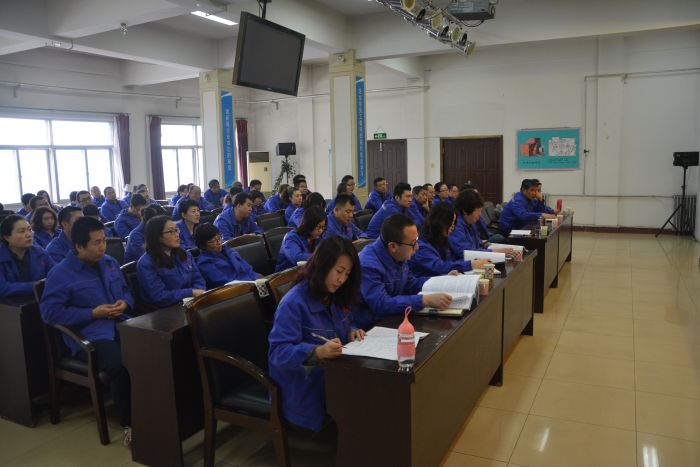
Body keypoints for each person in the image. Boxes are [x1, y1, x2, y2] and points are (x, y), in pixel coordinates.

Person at [39, 216, 133, 443]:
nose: (103, 247)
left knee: (154, 347)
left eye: (104, 241)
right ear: (79, 246)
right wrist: (91, 313)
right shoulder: (61, 273)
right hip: (90, 336)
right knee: (119, 365)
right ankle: (130, 424)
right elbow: (49, 313)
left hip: (121, 323)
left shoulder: (110, 262)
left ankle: (157, 409)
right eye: (96, 243)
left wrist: (125, 303)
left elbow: (126, 291)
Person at [268, 236, 364, 432]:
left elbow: (345, 323)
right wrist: (317, 352)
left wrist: (352, 332)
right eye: (339, 271)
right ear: (323, 266)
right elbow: (278, 353)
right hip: (304, 387)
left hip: (333, 375)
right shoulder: (294, 302)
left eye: (347, 274)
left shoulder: (333, 295)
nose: (342, 279)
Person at [355, 214, 452, 329]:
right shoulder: (368, 265)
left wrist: (444, 280)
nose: (417, 247)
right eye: (413, 243)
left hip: (395, 317)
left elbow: (411, 283)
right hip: (371, 327)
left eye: (417, 241)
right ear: (393, 246)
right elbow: (381, 304)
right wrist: (424, 300)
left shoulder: (399, 253)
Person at [136, 215, 205, 307]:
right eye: (171, 231)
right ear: (158, 236)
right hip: (165, 309)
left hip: (192, 301)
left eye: (176, 230)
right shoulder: (146, 263)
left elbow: (198, 279)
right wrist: (191, 292)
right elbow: (159, 296)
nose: (177, 235)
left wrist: (198, 293)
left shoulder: (185, 254)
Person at [409, 203, 489, 277]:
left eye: (454, 223)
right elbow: (440, 267)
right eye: (451, 222)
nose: (453, 227)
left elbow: (449, 262)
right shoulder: (422, 246)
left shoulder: (441, 239)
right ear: (440, 222)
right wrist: (471, 264)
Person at [0, 214, 54, 297]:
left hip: (40, 300)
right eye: (22, 231)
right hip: (10, 304)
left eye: (30, 229)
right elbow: (3, 288)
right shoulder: (2, 257)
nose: (29, 234)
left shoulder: (40, 252)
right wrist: (37, 286)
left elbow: (55, 274)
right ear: (7, 237)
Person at [193, 223, 260, 289]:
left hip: (252, 283)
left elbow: (247, 268)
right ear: (203, 245)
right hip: (237, 290)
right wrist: (250, 285)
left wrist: (257, 279)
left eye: (219, 238)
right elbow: (223, 282)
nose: (219, 242)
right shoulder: (204, 263)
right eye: (212, 241)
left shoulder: (229, 250)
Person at [276, 206, 327, 271]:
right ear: (309, 224)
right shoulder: (291, 237)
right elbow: (297, 258)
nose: (321, 230)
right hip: (287, 273)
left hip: (307, 270)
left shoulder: (317, 237)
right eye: (318, 227)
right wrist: (320, 256)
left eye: (323, 227)